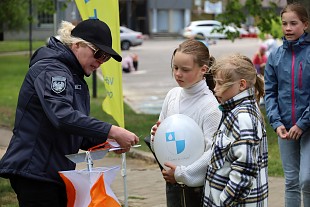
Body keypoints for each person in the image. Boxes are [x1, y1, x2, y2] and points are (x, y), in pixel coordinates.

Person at [0, 19, 139, 207]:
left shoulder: (74, 75)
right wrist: (111, 130)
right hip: (36, 173)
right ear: (77, 45)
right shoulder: (52, 69)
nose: (100, 61)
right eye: (98, 53)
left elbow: (75, 131)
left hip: (52, 173)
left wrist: (109, 142)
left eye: (105, 57)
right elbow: (63, 117)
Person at [149, 39, 222, 206]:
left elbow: (213, 153)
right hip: (173, 185)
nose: (178, 74)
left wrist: (182, 173)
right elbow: (161, 142)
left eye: (185, 69)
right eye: (175, 68)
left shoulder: (211, 107)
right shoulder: (172, 96)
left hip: (199, 191)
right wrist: (156, 135)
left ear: (203, 70)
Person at [204, 54, 268, 206]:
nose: (215, 88)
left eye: (220, 84)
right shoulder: (234, 111)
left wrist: (224, 201)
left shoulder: (242, 117)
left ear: (241, 85)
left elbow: (245, 171)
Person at [264, 3, 310, 207]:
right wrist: (276, 123)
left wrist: (302, 124)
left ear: (305, 25)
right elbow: (270, 93)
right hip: (285, 129)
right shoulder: (274, 56)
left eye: (293, 23)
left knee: (307, 179)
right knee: (291, 181)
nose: (288, 28)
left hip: (307, 127)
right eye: (284, 24)